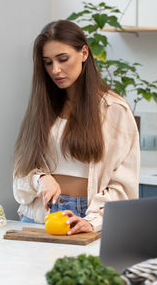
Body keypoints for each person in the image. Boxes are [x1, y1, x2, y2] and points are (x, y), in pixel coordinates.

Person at [13, 20, 140, 234]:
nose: (56, 70)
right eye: (48, 62)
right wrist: (41, 178)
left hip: (88, 217)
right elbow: (20, 171)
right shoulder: (42, 107)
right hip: (39, 216)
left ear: (84, 53)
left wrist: (93, 220)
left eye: (63, 59)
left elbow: (124, 185)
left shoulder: (113, 109)